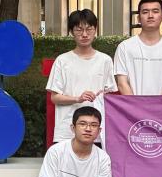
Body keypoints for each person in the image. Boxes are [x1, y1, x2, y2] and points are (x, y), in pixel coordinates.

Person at [46, 8, 116, 145]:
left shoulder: (105, 60)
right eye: (79, 30)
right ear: (71, 32)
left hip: (96, 131)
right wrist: (78, 99)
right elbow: (54, 97)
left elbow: (110, 95)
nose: (84, 34)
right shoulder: (62, 61)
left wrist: (102, 96)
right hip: (66, 131)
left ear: (95, 30)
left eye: (89, 29)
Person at [113, 0, 162, 96]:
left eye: (155, 11)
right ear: (138, 18)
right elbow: (122, 83)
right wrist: (135, 104)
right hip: (133, 105)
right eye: (145, 12)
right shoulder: (124, 47)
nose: (150, 16)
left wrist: (157, 104)